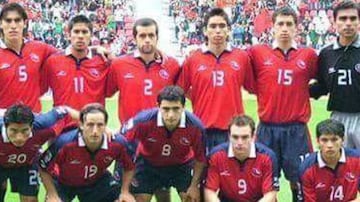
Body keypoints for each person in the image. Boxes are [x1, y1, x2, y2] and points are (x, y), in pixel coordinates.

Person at [247, 6, 318, 201]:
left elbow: (321, 80)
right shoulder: (257, 53)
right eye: (280, 24)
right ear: (273, 27)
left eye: (289, 24)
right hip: (267, 129)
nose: (284, 28)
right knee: (266, 182)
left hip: (296, 130)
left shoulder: (309, 55)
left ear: (297, 28)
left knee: (300, 180)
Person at [177, 8, 255, 152]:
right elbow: (179, 90)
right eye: (213, 26)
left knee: (233, 174)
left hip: (233, 131)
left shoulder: (241, 57)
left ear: (229, 30)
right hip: (202, 129)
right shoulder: (193, 59)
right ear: (205, 31)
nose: (217, 30)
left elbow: (252, 87)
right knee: (202, 174)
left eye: (222, 26)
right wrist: (196, 97)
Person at [121, 86, 206, 202]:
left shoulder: (196, 126)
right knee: (138, 199)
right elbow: (121, 145)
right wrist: (124, 190)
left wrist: (194, 186)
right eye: (166, 109)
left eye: (176, 109)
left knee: (192, 199)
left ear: (183, 107)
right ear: (158, 107)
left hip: (182, 166)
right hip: (148, 165)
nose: (171, 115)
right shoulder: (143, 121)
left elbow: (201, 158)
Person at [39, 103, 135, 202]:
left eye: (100, 125)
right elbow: (43, 167)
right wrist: (51, 194)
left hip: (96, 182)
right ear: (81, 125)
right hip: (63, 183)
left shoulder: (117, 143)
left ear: (106, 126)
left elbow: (129, 167)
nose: (95, 131)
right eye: (90, 125)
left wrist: (125, 191)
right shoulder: (64, 143)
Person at [106, 17, 181, 124]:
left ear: (157, 38)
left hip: (161, 132)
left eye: (151, 35)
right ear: (135, 38)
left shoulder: (172, 65)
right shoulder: (119, 64)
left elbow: (184, 92)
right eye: (142, 36)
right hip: (130, 133)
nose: (147, 40)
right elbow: (107, 93)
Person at [42, 15, 109, 131]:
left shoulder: (103, 62)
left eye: (84, 32)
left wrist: (109, 54)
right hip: (62, 129)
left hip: (93, 129)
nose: (80, 36)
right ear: (68, 35)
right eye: (76, 32)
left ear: (91, 35)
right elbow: (39, 88)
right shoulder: (53, 62)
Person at [310, 1, 360, 149]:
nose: (348, 23)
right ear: (335, 22)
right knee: (340, 167)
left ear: (359, 21)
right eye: (343, 19)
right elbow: (323, 86)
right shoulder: (326, 54)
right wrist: (297, 89)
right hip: (338, 118)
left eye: (353, 19)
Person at [0, 104, 72, 202]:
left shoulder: (44, 128)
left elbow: (66, 109)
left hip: (27, 164)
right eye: (13, 131)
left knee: (30, 200)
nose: (19, 137)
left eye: (25, 131)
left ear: (31, 127)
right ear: (5, 126)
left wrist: (84, 124)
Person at [205, 115, 279, 202]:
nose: (239, 142)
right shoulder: (216, 155)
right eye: (235, 137)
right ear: (229, 136)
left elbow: (270, 195)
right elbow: (210, 191)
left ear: (253, 137)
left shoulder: (267, 157)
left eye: (245, 137)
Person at [0, 3, 57, 113]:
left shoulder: (39, 48)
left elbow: (69, 54)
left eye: (17, 20)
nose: (13, 25)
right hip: (5, 120)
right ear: (1, 24)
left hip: (33, 120)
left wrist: (96, 49)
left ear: (25, 23)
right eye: (8, 21)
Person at [298, 119, 360, 202]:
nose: (330, 145)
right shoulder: (306, 169)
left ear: (343, 140)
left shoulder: (357, 160)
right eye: (324, 140)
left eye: (334, 139)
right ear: (317, 141)